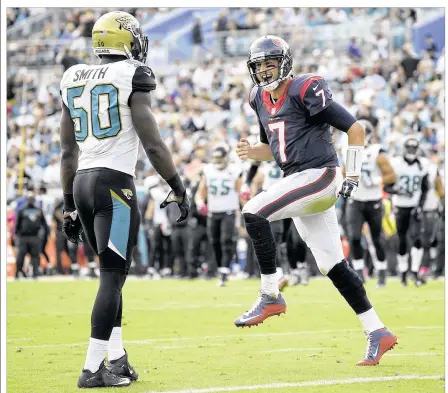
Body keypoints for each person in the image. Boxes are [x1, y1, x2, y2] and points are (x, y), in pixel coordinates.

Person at [235, 35, 397, 366]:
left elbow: (355, 129)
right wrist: (253, 151)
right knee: (332, 264)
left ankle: (270, 295)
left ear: (285, 62)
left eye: (271, 63)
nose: (265, 71)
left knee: (253, 212)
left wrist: (352, 175)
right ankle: (377, 331)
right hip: (296, 179)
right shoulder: (258, 99)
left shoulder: (305, 87)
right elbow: (276, 149)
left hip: (319, 175)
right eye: (259, 66)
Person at [59, 11, 190, 388]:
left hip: (82, 182)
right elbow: (152, 143)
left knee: (112, 277)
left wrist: (68, 203)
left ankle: (116, 358)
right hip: (114, 184)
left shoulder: (72, 77)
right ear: (126, 40)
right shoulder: (132, 74)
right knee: (112, 277)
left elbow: (68, 152)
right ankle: (91, 368)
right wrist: (178, 187)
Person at [344, 120, 397, 287]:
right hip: (355, 199)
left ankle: (381, 270)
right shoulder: (349, 150)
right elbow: (344, 172)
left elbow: (391, 176)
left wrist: (377, 180)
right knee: (354, 237)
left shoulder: (377, 152)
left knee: (376, 238)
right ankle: (359, 272)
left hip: (373, 200)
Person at [195, 144, 242, 286]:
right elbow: (201, 190)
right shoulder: (208, 170)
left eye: (220, 158)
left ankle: (224, 271)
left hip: (229, 211)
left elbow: (240, 190)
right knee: (214, 241)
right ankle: (222, 268)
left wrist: (245, 208)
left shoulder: (234, 171)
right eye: (215, 158)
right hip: (213, 211)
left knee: (226, 240)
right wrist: (200, 202)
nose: (217, 161)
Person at [387, 136, 429, 287]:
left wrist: (420, 205)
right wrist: (396, 190)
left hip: (414, 206)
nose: (411, 151)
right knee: (402, 239)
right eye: (409, 148)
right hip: (400, 206)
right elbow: (387, 187)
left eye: (414, 148)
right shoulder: (396, 163)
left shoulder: (422, 165)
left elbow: (425, 188)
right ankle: (404, 273)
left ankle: (415, 271)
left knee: (417, 239)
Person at [14, 191, 48, 279]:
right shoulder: (22, 210)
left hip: (35, 236)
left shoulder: (38, 210)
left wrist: (44, 236)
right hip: (23, 237)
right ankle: (18, 272)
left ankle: (35, 272)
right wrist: (17, 236)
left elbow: (44, 224)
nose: (31, 201)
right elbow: (17, 224)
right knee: (21, 255)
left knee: (35, 255)